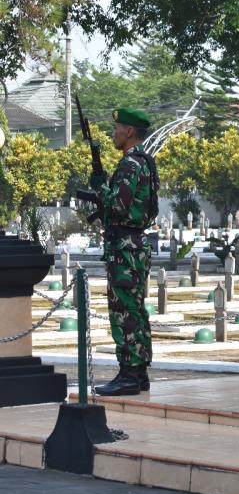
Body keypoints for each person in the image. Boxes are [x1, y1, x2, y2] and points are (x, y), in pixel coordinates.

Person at [93, 107, 160, 396]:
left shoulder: (130, 164)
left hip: (124, 249)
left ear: (129, 131)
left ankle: (129, 374)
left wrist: (100, 188)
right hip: (134, 245)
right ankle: (139, 372)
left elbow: (119, 206)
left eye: (117, 128)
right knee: (135, 308)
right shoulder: (145, 162)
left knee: (124, 310)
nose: (114, 133)